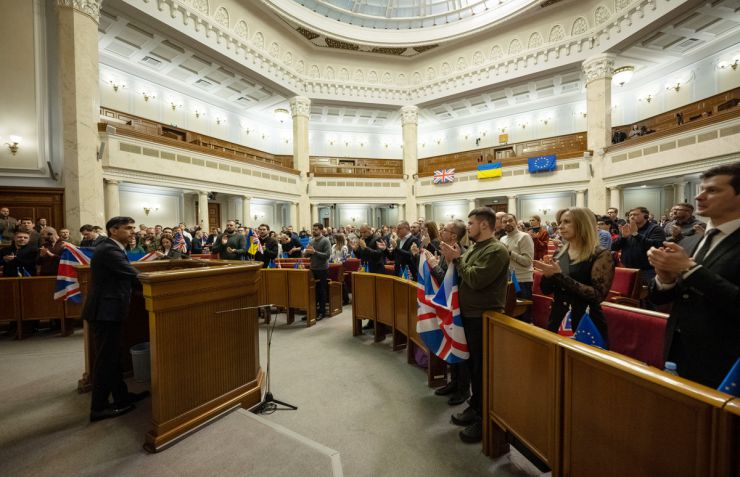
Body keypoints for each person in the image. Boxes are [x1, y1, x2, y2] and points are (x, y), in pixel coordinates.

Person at [648, 162, 740, 388]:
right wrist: (665, 279)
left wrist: (689, 269)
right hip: (680, 351)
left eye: (713, 190)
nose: (699, 197)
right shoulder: (690, 240)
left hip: (728, 361)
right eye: (701, 189)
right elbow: (665, 298)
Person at [440, 207, 509, 444]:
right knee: (471, 366)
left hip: (483, 316)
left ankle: (483, 418)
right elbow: (461, 276)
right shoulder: (476, 248)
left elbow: (476, 280)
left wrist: (457, 260)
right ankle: (474, 406)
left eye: (470, 223)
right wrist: (454, 261)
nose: (467, 227)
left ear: (484, 225)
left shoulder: (496, 250)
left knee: (481, 369)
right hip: (467, 314)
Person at [82, 216, 148, 422]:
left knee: (113, 357)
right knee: (105, 360)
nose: (133, 231)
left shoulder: (112, 246)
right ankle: (99, 408)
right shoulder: (109, 249)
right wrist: (159, 283)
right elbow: (131, 275)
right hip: (105, 312)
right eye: (128, 228)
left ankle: (121, 396)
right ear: (113, 230)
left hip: (110, 310)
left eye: (133, 228)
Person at [534, 208, 615, 340]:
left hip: (585, 321)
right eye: (560, 222)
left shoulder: (600, 254)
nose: (560, 226)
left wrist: (559, 275)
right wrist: (548, 276)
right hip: (558, 318)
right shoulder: (559, 253)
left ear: (582, 224)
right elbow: (546, 290)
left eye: (566, 222)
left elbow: (597, 295)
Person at [424, 219, 470, 406]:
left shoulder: (460, 252)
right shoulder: (446, 249)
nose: (441, 231)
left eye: (445, 229)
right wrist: (435, 263)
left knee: (459, 346)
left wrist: (434, 265)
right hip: (448, 305)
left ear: (453, 235)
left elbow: (449, 280)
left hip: (458, 307)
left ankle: (463, 389)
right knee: (452, 345)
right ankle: (454, 382)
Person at [611, 207, 666, 297]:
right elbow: (614, 247)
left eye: (635, 214)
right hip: (627, 269)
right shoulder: (627, 228)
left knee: (647, 299)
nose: (632, 217)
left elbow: (656, 246)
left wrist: (636, 235)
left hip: (647, 271)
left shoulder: (655, 229)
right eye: (630, 215)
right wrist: (623, 237)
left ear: (646, 216)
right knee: (626, 297)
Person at [500, 213, 535, 318]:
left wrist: (510, 252)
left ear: (515, 222)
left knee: (523, 315)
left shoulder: (524, 237)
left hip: (522, 281)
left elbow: (527, 262)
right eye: (504, 222)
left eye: (510, 220)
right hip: (508, 281)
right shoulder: (502, 239)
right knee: (511, 315)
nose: (508, 223)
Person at [304, 223, 331, 320]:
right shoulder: (311, 241)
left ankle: (322, 312)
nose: (314, 231)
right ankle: (313, 311)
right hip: (312, 269)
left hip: (322, 269)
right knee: (312, 291)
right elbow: (306, 255)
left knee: (321, 291)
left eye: (316, 229)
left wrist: (315, 252)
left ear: (320, 230)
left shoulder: (325, 241)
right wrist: (306, 252)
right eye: (313, 229)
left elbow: (327, 255)